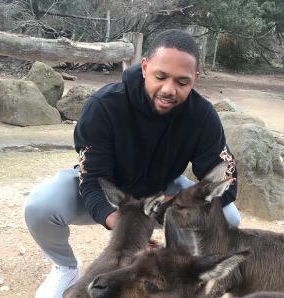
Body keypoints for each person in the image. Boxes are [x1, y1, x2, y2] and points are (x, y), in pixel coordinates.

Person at [24, 29, 240, 298]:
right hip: (111, 190)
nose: (169, 90)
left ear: (195, 79)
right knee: (40, 206)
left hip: (162, 192)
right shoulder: (104, 106)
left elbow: (226, 181)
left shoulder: (202, 116)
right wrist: (128, 230)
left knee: (229, 216)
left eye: (182, 82)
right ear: (145, 68)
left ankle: (179, 278)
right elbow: (92, 180)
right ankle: (66, 267)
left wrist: (173, 203)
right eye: (160, 77)